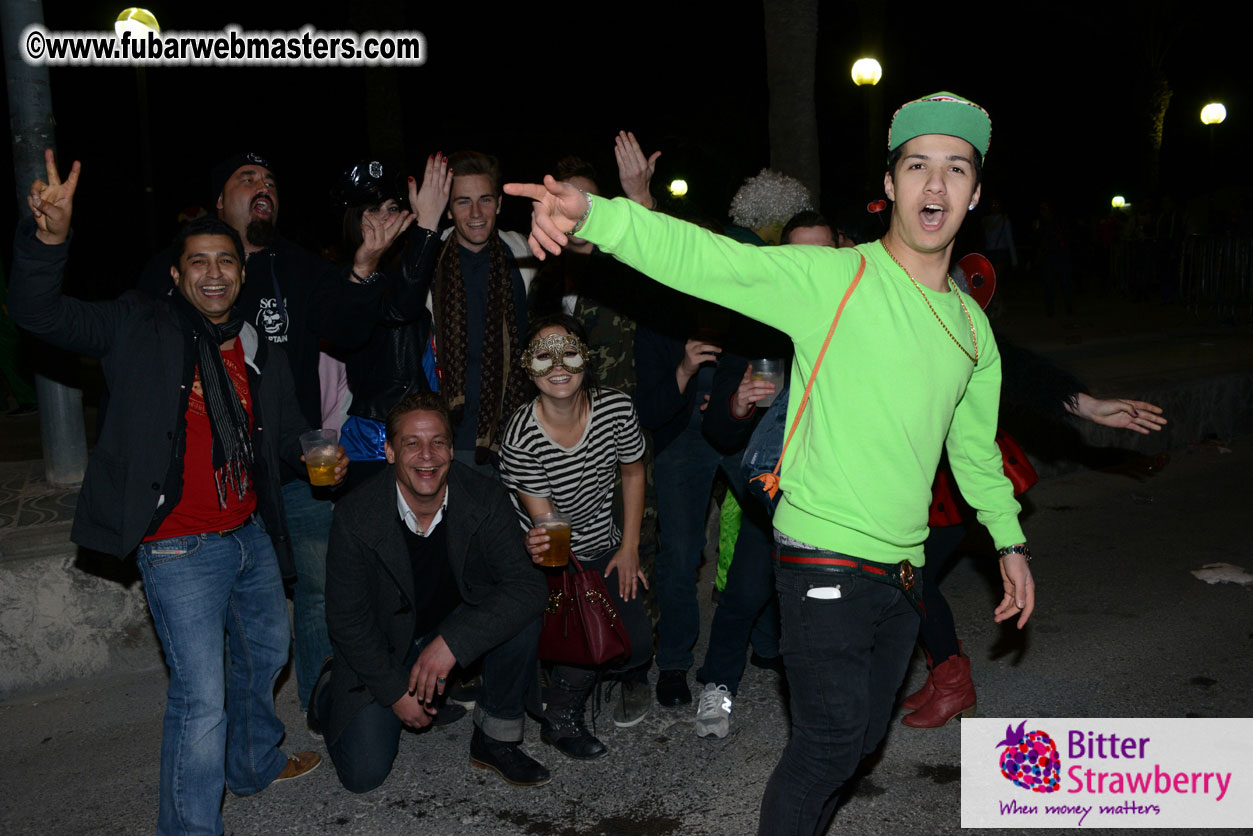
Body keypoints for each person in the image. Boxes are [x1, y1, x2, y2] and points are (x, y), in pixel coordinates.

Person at [507, 91, 1036, 836]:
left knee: (857, 744)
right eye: (918, 166)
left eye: (956, 169)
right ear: (890, 186)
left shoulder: (970, 327)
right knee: (825, 750)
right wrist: (600, 216)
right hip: (823, 559)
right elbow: (707, 260)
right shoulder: (835, 278)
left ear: (975, 194)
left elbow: (973, 449)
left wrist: (1008, 542)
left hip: (904, 574)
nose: (936, 185)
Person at [10, 151, 340, 836]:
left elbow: (279, 435)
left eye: (225, 262)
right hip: (180, 547)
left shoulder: (253, 345)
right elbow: (39, 314)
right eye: (198, 263)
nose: (214, 273)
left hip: (249, 533)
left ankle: (252, 764)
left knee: (266, 658)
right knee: (201, 698)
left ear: (241, 274)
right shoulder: (140, 326)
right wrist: (48, 240)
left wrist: (315, 455)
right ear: (176, 274)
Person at [137, 150, 413, 715]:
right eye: (246, 178)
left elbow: (350, 328)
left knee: (314, 592)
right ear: (219, 202)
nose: (262, 186)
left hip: (294, 467)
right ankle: (235, 717)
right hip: (215, 476)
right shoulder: (178, 272)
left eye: (270, 180)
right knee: (224, 610)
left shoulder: (306, 268)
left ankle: (318, 701)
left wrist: (365, 263)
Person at [312, 392, 550, 791]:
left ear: (452, 450)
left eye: (438, 442)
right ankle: (327, 692)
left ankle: (495, 738)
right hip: (385, 644)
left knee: (520, 615)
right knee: (364, 775)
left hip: (448, 628)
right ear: (389, 452)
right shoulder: (356, 515)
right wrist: (393, 692)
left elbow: (527, 586)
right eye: (412, 443)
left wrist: (453, 643)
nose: (427, 455)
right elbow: (347, 620)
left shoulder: (485, 496)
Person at [499, 314, 654, 758]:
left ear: (586, 358)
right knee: (586, 629)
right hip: (546, 552)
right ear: (529, 369)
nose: (558, 365)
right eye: (543, 357)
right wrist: (591, 597)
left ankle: (568, 666)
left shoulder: (616, 409)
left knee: (638, 646)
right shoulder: (521, 434)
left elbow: (633, 472)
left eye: (569, 351)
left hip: (604, 540)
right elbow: (548, 526)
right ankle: (560, 716)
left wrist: (628, 549)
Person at [333, 156, 449, 488]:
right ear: (354, 220)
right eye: (373, 209)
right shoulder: (345, 285)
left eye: (392, 206)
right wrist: (428, 226)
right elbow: (399, 310)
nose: (386, 216)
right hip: (377, 444)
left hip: (424, 433)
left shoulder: (406, 272)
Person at [428, 150, 537, 473]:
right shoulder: (428, 263)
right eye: (463, 201)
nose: (476, 212)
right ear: (448, 210)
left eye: (485, 200)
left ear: (499, 204)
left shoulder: (524, 254)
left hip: (518, 433)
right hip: (449, 434)